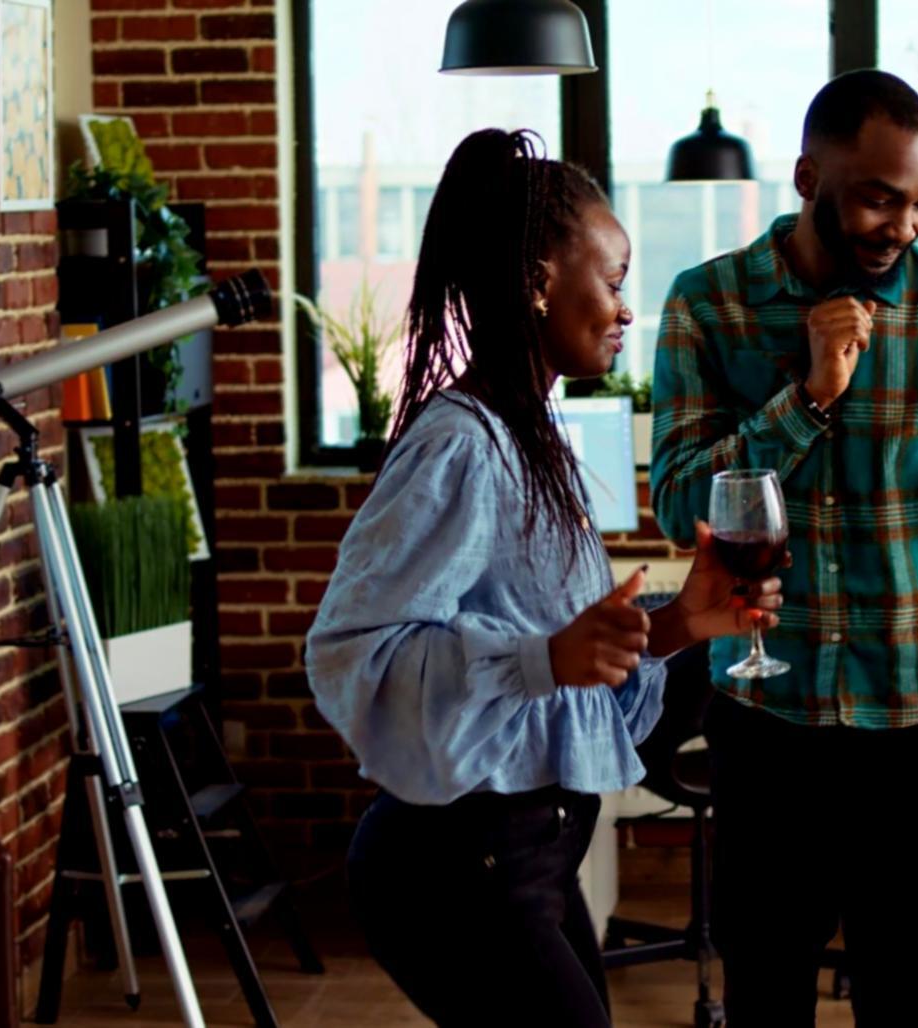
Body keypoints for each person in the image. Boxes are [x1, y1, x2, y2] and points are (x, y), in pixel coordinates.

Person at [305, 129, 781, 1027]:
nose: (625, 308)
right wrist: (539, 658)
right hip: (454, 865)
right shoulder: (461, 445)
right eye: (613, 281)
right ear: (537, 282)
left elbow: (575, 685)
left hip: (532, 855)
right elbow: (351, 654)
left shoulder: (533, 435)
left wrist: (684, 623)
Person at [648, 70, 918, 1024]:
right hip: (768, 708)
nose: (903, 227)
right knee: (766, 990)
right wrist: (809, 398)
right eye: (878, 197)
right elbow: (678, 504)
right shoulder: (711, 303)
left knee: (915, 992)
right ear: (805, 175)